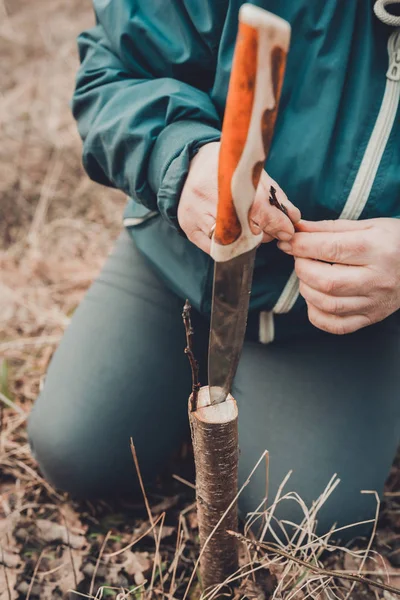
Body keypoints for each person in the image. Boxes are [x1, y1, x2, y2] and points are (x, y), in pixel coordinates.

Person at [28, 0, 400, 540]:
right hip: (178, 260)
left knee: (305, 521)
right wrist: (185, 158)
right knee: (78, 451)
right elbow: (113, 71)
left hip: (340, 318)